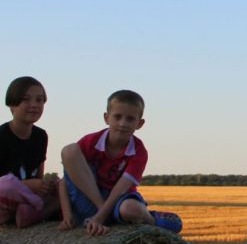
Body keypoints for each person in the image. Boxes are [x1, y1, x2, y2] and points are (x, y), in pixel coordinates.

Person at [58, 89, 182, 236]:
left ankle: (152, 219)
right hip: (91, 199)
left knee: (131, 210)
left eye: (130, 119)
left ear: (140, 123)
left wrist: (99, 218)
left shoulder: (138, 151)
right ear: (106, 118)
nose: (123, 123)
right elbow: (65, 180)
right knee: (69, 151)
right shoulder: (90, 142)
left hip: (119, 201)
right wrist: (67, 215)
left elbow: (120, 190)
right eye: (117, 117)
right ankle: (101, 212)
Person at [0, 76, 59, 227]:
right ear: (11, 105)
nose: (34, 105)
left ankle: (31, 213)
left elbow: (38, 179)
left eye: (39, 100)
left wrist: (46, 185)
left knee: (65, 187)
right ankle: (41, 212)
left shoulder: (40, 136)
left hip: (24, 202)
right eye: (26, 99)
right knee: (6, 185)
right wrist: (29, 185)